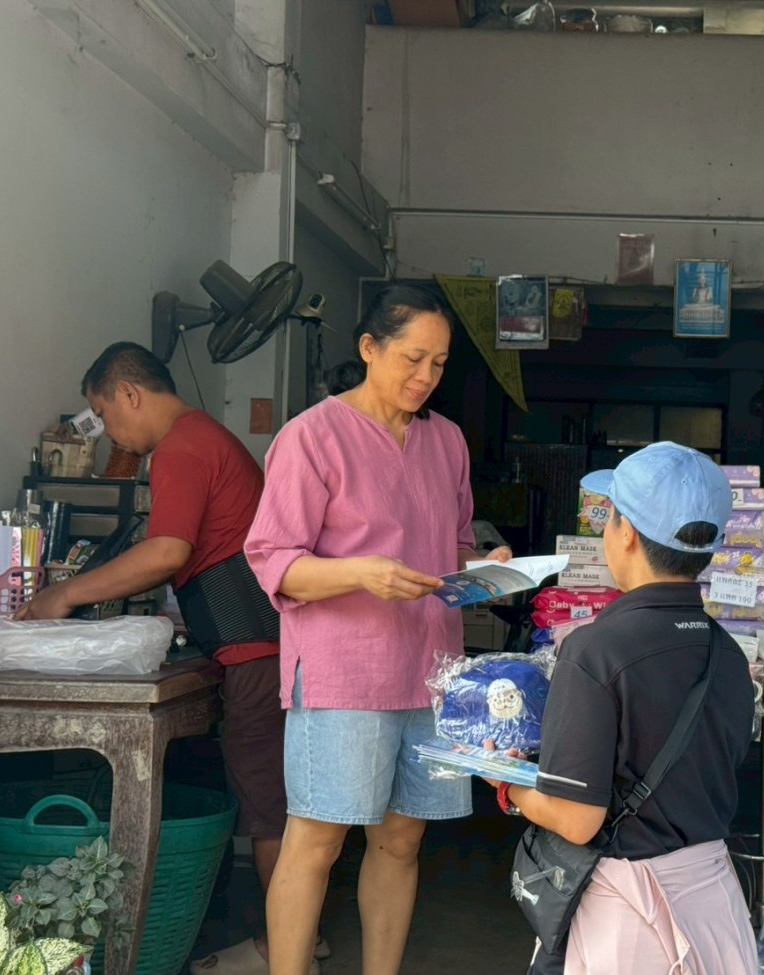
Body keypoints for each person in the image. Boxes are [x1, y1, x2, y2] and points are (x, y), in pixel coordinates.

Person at [14, 342, 325, 975]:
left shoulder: (181, 447)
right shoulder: (207, 436)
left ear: (129, 393)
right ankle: (298, 942)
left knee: (268, 808)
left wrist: (62, 595)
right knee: (275, 799)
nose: (112, 434)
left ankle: (285, 952)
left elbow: (166, 553)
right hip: (263, 647)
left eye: (107, 414)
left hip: (257, 651)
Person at [243, 284, 511, 975]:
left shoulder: (446, 441)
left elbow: (450, 548)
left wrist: (488, 567)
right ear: (369, 348)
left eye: (439, 364)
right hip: (345, 674)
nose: (426, 377)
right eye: (412, 358)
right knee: (317, 841)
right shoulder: (312, 436)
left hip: (431, 674)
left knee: (401, 841)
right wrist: (362, 573)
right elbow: (274, 560)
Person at [488, 441, 758, 974]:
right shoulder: (727, 652)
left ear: (626, 531)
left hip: (631, 923)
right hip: (716, 909)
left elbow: (576, 819)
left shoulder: (595, 651)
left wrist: (508, 783)